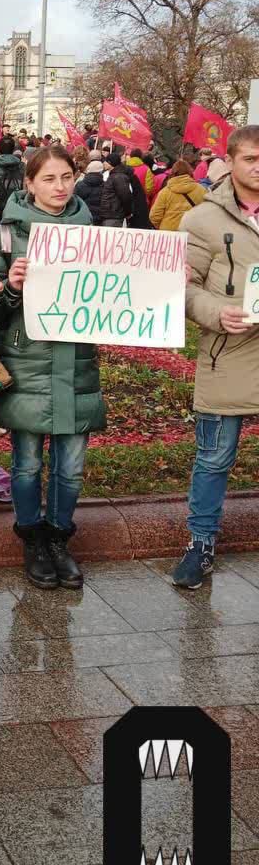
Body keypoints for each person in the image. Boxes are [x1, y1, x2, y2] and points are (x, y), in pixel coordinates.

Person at [0, 146, 107, 590]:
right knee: (27, 465)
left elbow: (119, 291)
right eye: (50, 178)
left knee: (71, 467)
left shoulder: (98, 234)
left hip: (77, 361)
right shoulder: (3, 236)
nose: (60, 187)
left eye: (67, 177)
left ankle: (59, 538)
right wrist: (10, 288)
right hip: (27, 363)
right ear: (29, 183)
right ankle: (32, 537)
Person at [173, 126, 259, 588]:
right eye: (251, 158)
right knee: (213, 458)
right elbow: (183, 287)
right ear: (230, 161)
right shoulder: (202, 220)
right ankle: (201, 543)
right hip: (228, 354)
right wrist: (215, 312)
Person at [149, 160, 206, 230]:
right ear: (190, 171)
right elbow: (205, 214)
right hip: (192, 233)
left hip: (169, 234)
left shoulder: (164, 192)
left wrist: (162, 228)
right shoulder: (201, 190)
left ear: (173, 173)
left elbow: (154, 216)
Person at [74, 158, 106, 224]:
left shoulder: (80, 184)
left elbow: (75, 201)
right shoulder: (106, 185)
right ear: (101, 171)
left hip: (83, 216)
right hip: (100, 217)